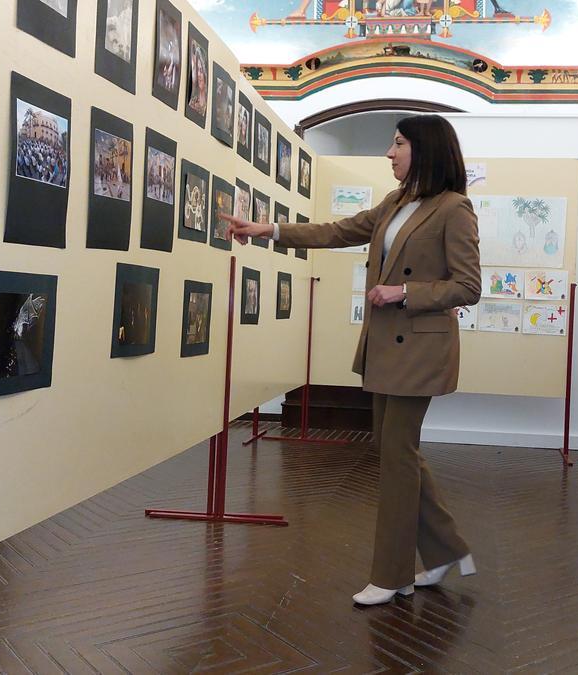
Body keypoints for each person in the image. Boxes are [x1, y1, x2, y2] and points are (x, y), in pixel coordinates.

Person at [222, 114, 480, 606]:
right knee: (394, 450)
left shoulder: (454, 208)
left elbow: (468, 286)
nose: (389, 153)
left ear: (425, 150)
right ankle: (446, 550)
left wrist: (404, 292)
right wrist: (267, 229)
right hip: (388, 346)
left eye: (398, 143)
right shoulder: (397, 201)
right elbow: (339, 230)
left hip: (420, 350)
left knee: (397, 456)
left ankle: (393, 574)